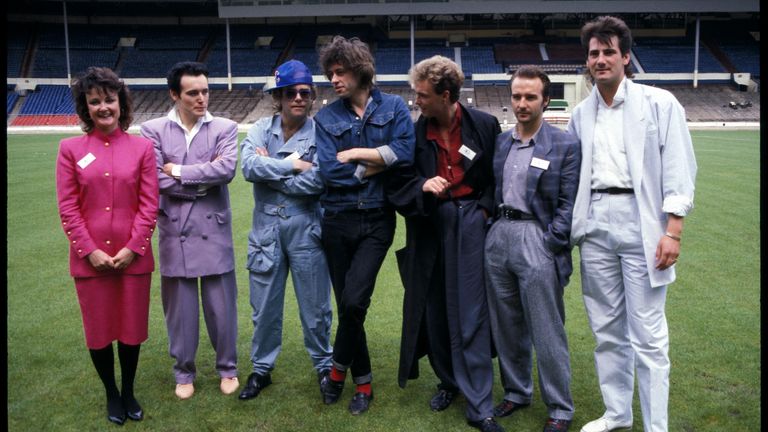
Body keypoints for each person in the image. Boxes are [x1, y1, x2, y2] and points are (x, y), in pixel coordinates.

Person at [567, 16, 697, 432]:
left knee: (648, 334)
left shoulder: (659, 104)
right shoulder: (581, 114)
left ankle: (656, 425)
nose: (600, 59)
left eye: (608, 52)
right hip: (596, 225)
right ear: (587, 61)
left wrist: (672, 229)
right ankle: (617, 414)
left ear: (626, 57)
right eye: (593, 53)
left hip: (643, 223)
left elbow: (679, 167)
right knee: (606, 329)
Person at [386, 55, 502, 432]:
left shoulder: (484, 125)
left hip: (471, 223)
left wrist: (483, 212)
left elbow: (496, 181)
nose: (416, 101)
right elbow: (397, 183)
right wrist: (421, 185)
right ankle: (449, 381)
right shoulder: (415, 133)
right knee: (434, 310)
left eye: (422, 95)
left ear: (446, 95)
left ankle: (479, 401)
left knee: (471, 312)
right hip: (431, 225)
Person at [314, 35, 415, 415]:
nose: (334, 79)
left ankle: (337, 372)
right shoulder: (325, 117)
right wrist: (376, 166)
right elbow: (328, 170)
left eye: (341, 72)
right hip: (337, 221)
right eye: (330, 73)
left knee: (355, 299)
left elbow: (406, 153)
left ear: (360, 70)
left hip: (377, 220)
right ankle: (364, 383)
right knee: (348, 307)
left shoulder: (394, 108)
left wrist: (356, 153)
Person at [56, 66, 158, 425]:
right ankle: (111, 394)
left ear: (121, 103)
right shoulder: (70, 149)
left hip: (133, 259)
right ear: (86, 107)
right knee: (99, 333)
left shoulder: (143, 147)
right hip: (91, 262)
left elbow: (149, 204)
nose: (103, 107)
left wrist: (133, 247)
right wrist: (89, 250)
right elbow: (68, 207)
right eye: (95, 101)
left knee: (131, 331)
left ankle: (129, 390)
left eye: (109, 100)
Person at [484, 66, 580, 432]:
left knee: (547, 328)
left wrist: (550, 243)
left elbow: (569, 203)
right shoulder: (502, 142)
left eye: (530, 97)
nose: (522, 104)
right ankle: (517, 391)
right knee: (506, 325)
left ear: (545, 99)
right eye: (516, 96)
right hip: (499, 235)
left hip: (536, 238)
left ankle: (560, 408)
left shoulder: (564, 144)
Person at [140, 61, 240, 400]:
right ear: (174, 94)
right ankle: (184, 372)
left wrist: (180, 171)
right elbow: (156, 179)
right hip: (174, 230)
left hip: (214, 229)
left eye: (205, 91)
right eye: (192, 93)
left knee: (222, 307)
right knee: (180, 311)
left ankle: (228, 368)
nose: (202, 98)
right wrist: (200, 182)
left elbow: (226, 170)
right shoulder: (152, 130)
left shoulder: (225, 127)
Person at [238, 60, 333, 400]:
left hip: (306, 225)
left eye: (304, 92)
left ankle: (325, 367)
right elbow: (249, 167)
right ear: (277, 97)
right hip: (266, 229)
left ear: (311, 96)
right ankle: (261, 370)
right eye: (290, 92)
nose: (297, 98)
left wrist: (272, 171)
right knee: (264, 306)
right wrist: (290, 165)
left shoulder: (321, 132)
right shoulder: (261, 129)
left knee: (316, 306)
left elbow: (319, 179)